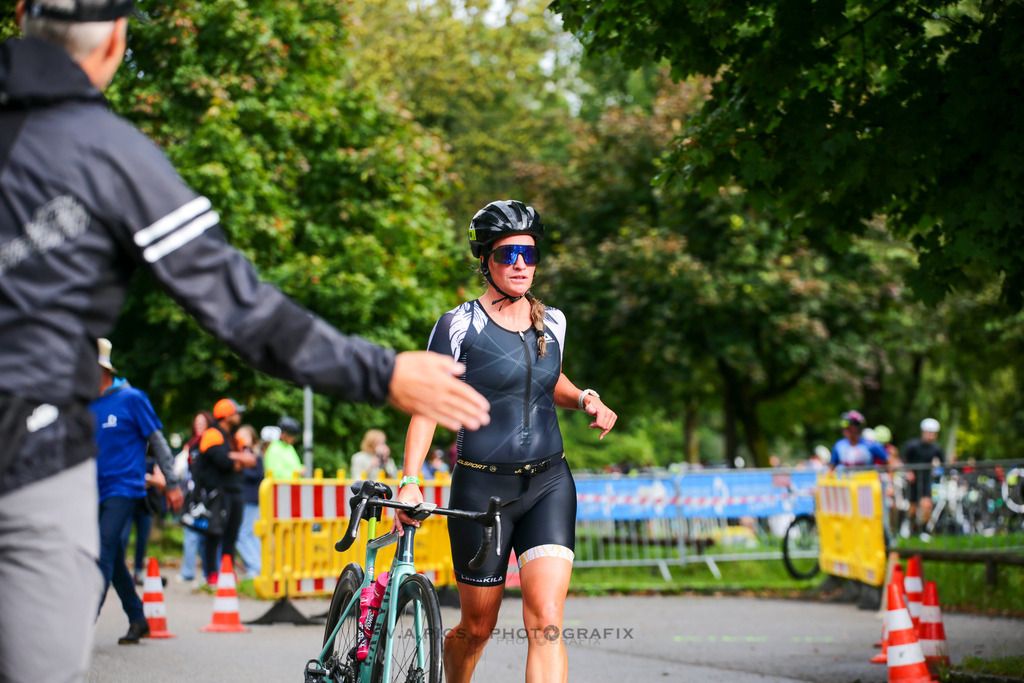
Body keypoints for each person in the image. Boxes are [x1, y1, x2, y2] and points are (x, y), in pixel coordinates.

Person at [0, 2, 489, 678]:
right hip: (31, 460)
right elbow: (239, 307)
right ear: (116, 39)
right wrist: (379, 371)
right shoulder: (111, 154)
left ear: (23, 13)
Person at [394, 200, 617, 683]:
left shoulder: (552, 321)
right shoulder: (459, 325)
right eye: (508, 253)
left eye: (529, 255)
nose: (520, 264)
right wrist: (410, 481)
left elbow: (546, 378)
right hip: (482, 492)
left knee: (546, 623)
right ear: (486, 261)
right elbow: (428, 404)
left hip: (549, 484)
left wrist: (585, 399)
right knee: (477, 628)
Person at [89, 339, 183, 644]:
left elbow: (157, 441)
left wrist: (171, 482)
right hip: (93, 489)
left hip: (125, 487)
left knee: (102, 549)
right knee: (112, 556)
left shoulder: (132, 398)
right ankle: (138, 618)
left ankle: (80, 623)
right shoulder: (87, 403)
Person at [194, 398, 254, 585]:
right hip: (217, 493)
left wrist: (236, 459)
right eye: (236, 412)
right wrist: (238, 460)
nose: (239, 416)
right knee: (214, 533)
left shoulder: (233, 437)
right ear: (226, 416)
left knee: (231, 534)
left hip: (235, 491)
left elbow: (252, 461)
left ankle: (227, 571)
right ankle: (211, 573)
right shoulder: (212, 434)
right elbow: (224, 462)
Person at [175, 410, 213, 583]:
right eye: (196, 423)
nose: (199, 425)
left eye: (202, 422)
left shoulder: (211, 442)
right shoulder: (190, 445)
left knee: (207, 534)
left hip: (208, 494)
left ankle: (208, 573)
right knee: (190, 532)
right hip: (192, 494)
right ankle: (188, 572)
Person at [900, 418, 945, 534]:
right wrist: (908, 472)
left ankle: (923, 530)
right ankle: (910, 527)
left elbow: (944, 463)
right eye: (929, 432)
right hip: (913, 481)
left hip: (926, 480)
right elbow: (903, 460)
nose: (931, 435)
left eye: (934, 433)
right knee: (913, 509)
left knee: (926, 505)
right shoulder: (912, 445)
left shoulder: (936, 448)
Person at [234, 423, 265, 579]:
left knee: (242, 534)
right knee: (249, 534)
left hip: (250, 499)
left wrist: (241, 467)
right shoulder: (245, 453)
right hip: (247, 499)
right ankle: (257, 566)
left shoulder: (255, 455)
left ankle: (255, 567)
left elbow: (256, 475)